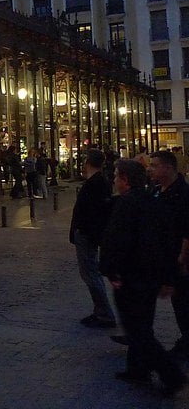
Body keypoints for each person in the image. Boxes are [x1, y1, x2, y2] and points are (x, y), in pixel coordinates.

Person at [100, 159, 186, 396]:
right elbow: (168, 242)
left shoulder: (127, 204)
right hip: (150, 276)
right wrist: (169, 276)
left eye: (117, 176)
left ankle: (172, 375)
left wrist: (109, 269)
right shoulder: (153, 201)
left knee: (138, 330)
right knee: (142, 324)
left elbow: (115, 241)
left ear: (125, 180)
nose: (115, 181)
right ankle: (137, 369)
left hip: (132, 276)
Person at [69, 149, 117, 329]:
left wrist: (84, 230)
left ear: (88, 163)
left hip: (87, 234)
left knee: (90, 273)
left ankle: (104, 313)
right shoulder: (97, 182)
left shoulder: (96, 183)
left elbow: (94, 212)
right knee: (89, 273)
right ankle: (101, 310)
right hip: (87, 233)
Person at [148, 150, 189, 358]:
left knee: (182, 301)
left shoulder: (182, 194)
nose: (150, 169)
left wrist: (182, 258)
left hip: (177, 259)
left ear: (168, 167)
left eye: (154, 165)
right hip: (161, 258)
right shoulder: (156, 191)